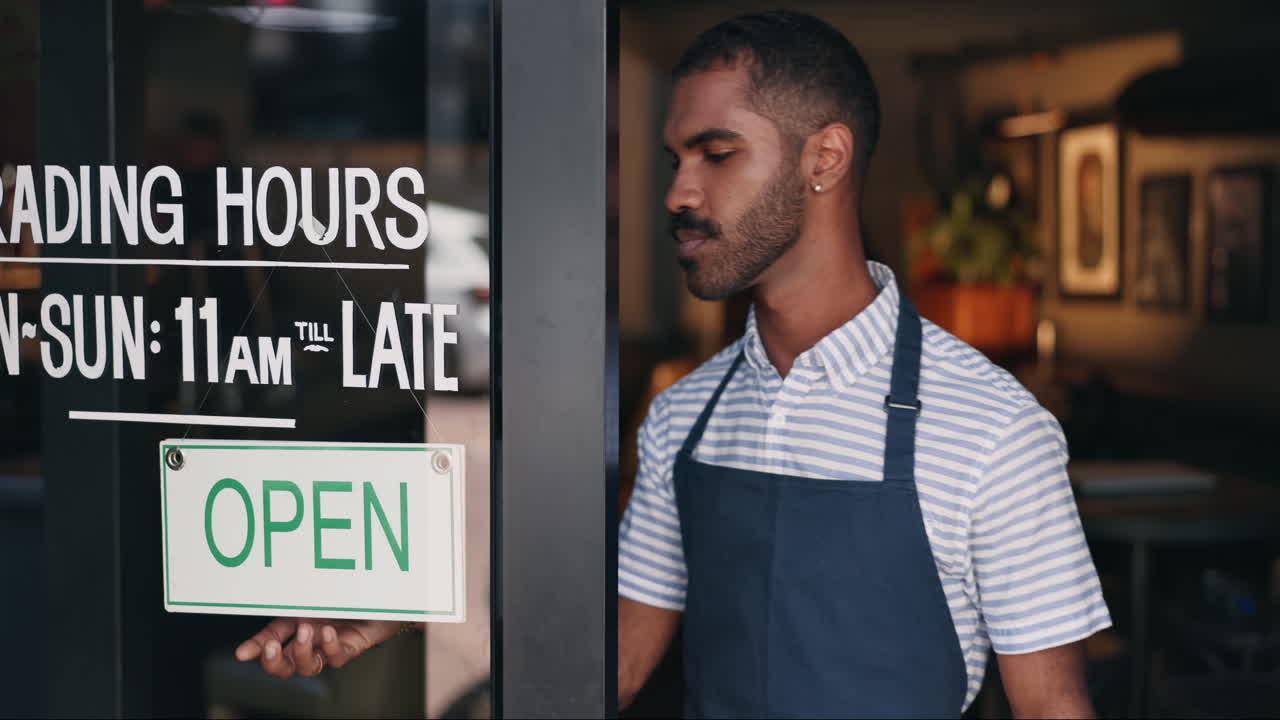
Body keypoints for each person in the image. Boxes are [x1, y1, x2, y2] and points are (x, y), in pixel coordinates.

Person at [237, 10, 1112, 717]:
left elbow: (1053, 708)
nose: (677, 193)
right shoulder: (684, 415)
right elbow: (606, 664)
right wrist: (407, 614)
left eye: (717, 154)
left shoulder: (994, 429)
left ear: (825, 158)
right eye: (676, 158)